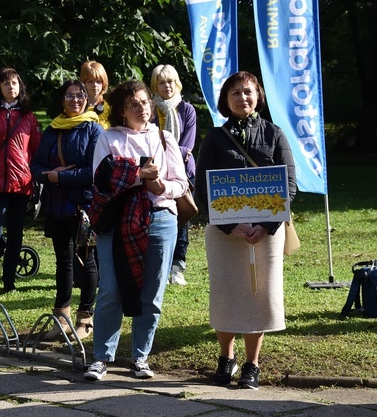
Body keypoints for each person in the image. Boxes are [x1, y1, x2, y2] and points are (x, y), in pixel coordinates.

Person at [195, 71, 296, 390]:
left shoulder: (275, 133)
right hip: (225, 233)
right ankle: (227, 358)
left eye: (248, 91)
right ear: (226, 100)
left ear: (258, 96)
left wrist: (266, 225)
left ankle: (252, 364)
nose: (243, 97)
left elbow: (289, 185)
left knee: (258, 298)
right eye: (235, 93)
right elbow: (202, 189)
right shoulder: (214, 138)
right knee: (226, 297)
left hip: (266, 233)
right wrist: (230, 224)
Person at [84, 80, 188, 381]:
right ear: (121, 111)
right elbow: (101, 180)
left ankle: (140, 358)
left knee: (152, 294)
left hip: (160, 218)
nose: (142, 107)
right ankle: (102, 357)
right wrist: (139, 174)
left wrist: (157, 185)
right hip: (117, 221)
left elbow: (180, 184)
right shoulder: (109, 138)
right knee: (111, 290)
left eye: (145, 101)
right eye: (134, 104)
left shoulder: (164, 138)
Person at [31, 80, 102, 341]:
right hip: (56, 207)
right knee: (63, 261)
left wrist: (60, 177)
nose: (75, 100)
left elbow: (94, 171)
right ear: (62, 100)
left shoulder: (93, 129)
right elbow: (35, 165)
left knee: (87, 260)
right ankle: (61, 319)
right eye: (69, 96)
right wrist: (48, 175)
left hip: (83, 207)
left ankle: (86, 319)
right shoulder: (52, 129)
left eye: (80, 95)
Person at [0, 68, 41, 300]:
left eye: (14, 83)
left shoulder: (29, 117)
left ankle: (9, 281)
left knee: (16, 234)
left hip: (21, 185)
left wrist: (35, 180)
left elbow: (36, 151)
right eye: (6, 83)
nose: (11, 87)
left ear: (20, 87)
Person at [150, 64, 197, 286]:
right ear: (155, 85)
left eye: (170, 81)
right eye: (162, 82)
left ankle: (178, 267)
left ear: (176, 83)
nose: (167, 86)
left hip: (182, 174)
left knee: (182, 220)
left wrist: (165, 153)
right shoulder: (149, 109)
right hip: (156, 174)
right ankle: (161, 265)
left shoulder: (186, 109)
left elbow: (187, 146)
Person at [80, 60, 111, 130]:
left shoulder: (108, 107)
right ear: (83, 83)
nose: (95, 85)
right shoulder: (78, 106)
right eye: (90, 81)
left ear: (104, 83)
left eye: (98, 81)